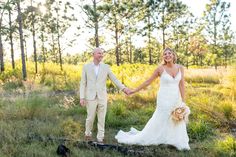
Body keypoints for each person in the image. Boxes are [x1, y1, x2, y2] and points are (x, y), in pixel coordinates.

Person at [115, 47, 190, 150]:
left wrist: (183, 101)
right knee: (162, 117)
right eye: (165, 54)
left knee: (177, 118)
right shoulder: (160, 69)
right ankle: (157, 137)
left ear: (173, 55)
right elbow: (148, 82)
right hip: (164, 98)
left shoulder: (180, 67)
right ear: (163, 57)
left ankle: (174, 139)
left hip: (176, 97)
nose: (167, 55)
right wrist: (134, 90)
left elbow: (181, 84)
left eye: (169, 53)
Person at [80, 47, 130, 144]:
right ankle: (87, 134)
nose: (101, 55)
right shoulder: (86, 67)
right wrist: (82, 97)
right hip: (90, 97)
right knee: (90, 118)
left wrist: (123, 88)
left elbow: (114, 79)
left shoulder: (106, 67)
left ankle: (100, 138)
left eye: (102, 53)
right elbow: (83, 83)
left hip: (102, 96)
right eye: (99, 53)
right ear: (93, 54)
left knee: (102, 118)